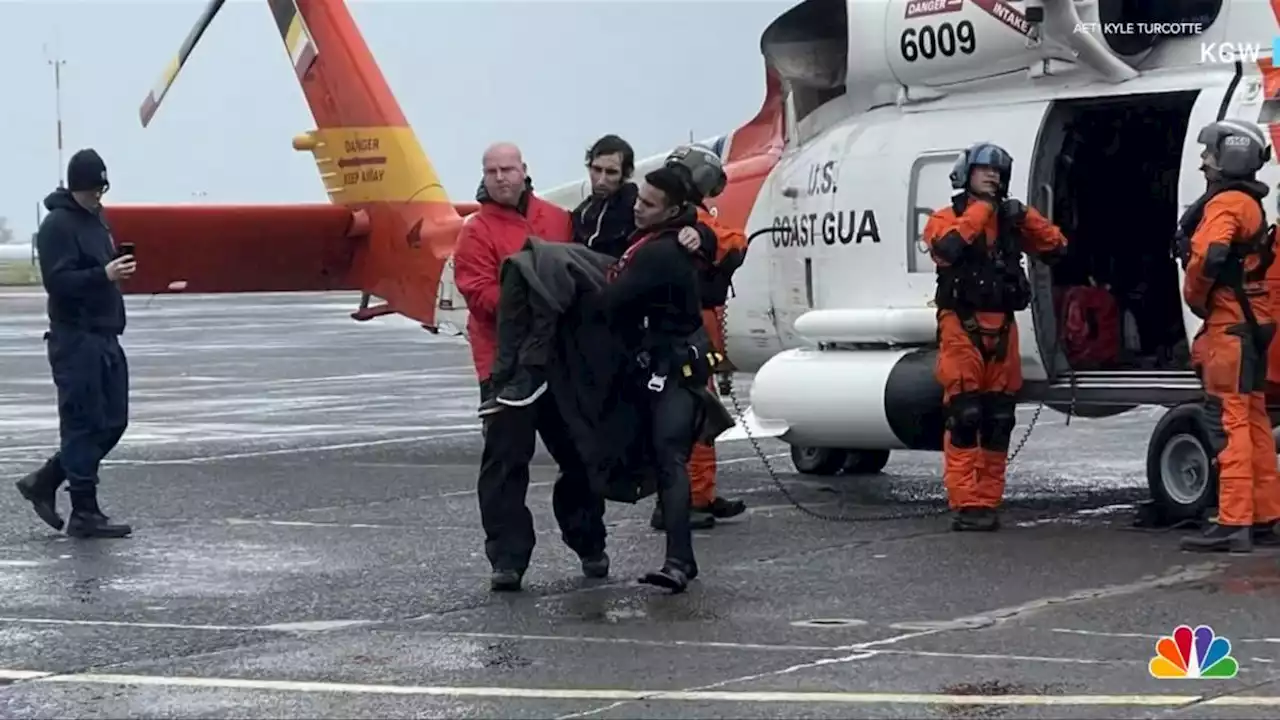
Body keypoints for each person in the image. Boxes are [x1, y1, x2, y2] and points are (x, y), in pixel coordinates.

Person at [452, 142, 608, 592]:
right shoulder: (476, 231)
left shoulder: (557, 220)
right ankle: (508, 559)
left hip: (560, 363)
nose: (501, 178)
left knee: (580, 455)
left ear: (524, 171)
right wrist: (537, 301)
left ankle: (590, 542)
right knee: (505, 463)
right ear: (484, 176)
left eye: (508, 169)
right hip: (504, 367)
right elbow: (479, 295)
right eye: (493, 170)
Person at [586, 164, 718, 593]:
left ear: (674, 209)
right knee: (664, 458)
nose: (638, 208)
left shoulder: (661, 252)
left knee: (669, 459)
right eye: (639, 199)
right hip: (665, 363)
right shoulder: (657, 240)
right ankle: (679, 558)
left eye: (648, 204)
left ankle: (679, 562)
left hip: (675, 369)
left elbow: (611, 302)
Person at [922, 142, 1068, 531]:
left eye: (998, 172)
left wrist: (1026, 218)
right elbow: (949, 249)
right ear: (966, 173)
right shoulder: (943, 218)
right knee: (965, 413)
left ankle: (988, 499)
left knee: (1000, 418)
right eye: (985, 170)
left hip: (1002, 326)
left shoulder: (1010, 221)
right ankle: (966, 501)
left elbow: (1056, 247)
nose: (993, 176)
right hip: (961, 326)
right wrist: (983, 209)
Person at [14, 148, 134, 539]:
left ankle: (46, 479)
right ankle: (84, 511)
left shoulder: (98, 221)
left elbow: (98, 274)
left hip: (106, 335)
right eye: (93, 189)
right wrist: (103, 274)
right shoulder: (57, 226)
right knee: (82, 424)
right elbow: (59, 282)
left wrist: (113, 273)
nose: (99, 196)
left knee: (114, 421)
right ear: (77, 187)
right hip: (75, 339)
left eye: (102, 188)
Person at [1176, 119, 1280, 553]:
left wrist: (1195, 296)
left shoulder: (1226, 204)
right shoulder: (1250, 205)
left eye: (1209, 153)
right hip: (1252, 328)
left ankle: (1234, 520)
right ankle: (1263, 516)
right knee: (1254, 421)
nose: (1203, 161)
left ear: (1230, 155)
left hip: (1229, 327)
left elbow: (1210, 254)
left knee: (1227, 420)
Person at [649, 145, 748, 532]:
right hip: (685, 327)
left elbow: (731, 245)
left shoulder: (690, 222)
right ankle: (679, 500)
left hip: (696, 323)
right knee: (686, 413)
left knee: (701, 409)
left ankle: (700, 495)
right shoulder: (681, 224)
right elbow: (733, 244)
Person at [571, 134, 639, 256]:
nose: (601, 181)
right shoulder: (582, 212)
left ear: (626, 173)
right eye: (597, 170)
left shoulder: (636, 206)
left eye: (611, 172)